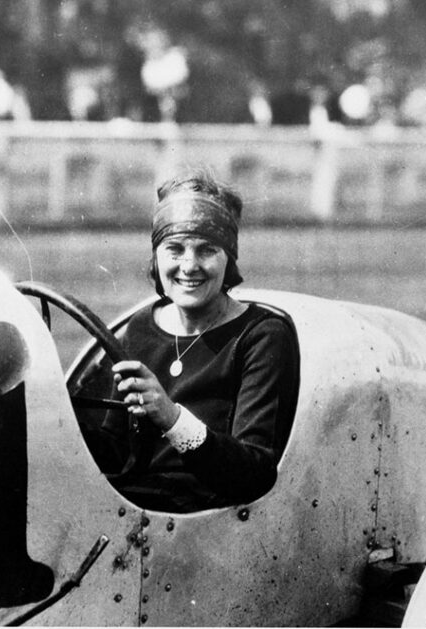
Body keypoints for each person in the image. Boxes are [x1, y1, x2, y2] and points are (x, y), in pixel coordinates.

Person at [84, 170, 298, 512]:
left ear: (229, 259)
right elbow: (116, 451)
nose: (189, 265)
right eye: (175, 248)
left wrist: (170, 417)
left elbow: (255, 472)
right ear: (156, 256)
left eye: (207, 250)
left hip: (207, 524)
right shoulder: (140, 326)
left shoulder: (262, 335)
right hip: (131, 514)